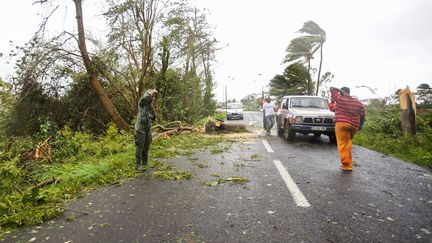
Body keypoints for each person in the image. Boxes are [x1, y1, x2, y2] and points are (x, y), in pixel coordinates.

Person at [330, 86, 365, 171]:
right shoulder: (358, 102)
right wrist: (360, 125)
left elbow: (332, 88)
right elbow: (363, 115)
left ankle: (347, 165)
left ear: (342, 92)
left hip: (341, 124)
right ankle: (349, 162)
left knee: (343, 145)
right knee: (347, 144)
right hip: (354, 126)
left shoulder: (339, 98)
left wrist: (340, 92)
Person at [134, 88, 158, 171]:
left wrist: (153, 116)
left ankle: (145, 163)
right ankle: (138, 165)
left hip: (147, 129)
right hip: (140, 129)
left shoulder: (149, 107)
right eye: (152, 97)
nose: (153, 98)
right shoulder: (141, 103)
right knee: (140, 147)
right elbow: (145, 98)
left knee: (146, 147)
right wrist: (152, 91)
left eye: (154, 97)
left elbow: (149, 117)